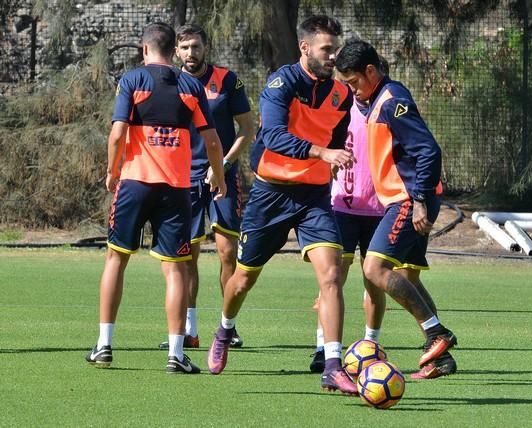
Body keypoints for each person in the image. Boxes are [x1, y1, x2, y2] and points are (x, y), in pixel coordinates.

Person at [206, 15, 359, 395]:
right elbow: (272, 136)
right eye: (327, 49)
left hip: (314, 198)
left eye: (336, 49)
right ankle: (224, 330)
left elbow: (338, 135)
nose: (334, 56)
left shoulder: (341, 93)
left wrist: (334, 160)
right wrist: (323, 152)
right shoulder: (281, 83)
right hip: (270, 194)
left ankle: (332, 365)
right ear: (305, 47)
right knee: (242, 280)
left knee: (331, 275)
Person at [85, 22, 227, 374]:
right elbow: (212, 141)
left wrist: (111, 170)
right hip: (176, 189)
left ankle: (104, 345)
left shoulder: (132, 80)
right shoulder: (193, 85)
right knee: (175, 269)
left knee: (116, 260)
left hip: (134, 184)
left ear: (144, 49)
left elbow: (118, 133)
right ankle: (176, 354)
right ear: (173, 50)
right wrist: (219, 176)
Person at [335, 39, 457, 380]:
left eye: (354, 82)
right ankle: (441, 359)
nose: (352, 90)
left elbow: (429, 150)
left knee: (374, 269)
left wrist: (418, 201)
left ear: (371, 71)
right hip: (405, 198)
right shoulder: (376, 100)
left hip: (407, 198)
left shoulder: (392, 101)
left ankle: (437, 334)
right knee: (404, 276)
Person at [158, 24, 256, 351]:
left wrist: (223, 166)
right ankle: (189, 329)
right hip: (183, 178)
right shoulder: (170, 82)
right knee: (187, 256)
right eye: (184, 48)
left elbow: (247, 127)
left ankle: (228, 327)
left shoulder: (228, 80)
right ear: (175, 52)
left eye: (196, 47)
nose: (190, 53)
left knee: (228, 253)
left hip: (223, 177)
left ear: (206, 47)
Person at [308, 61, 386, 373]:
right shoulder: (341, 108)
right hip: (341, 206)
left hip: (379, 209)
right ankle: (321, 346)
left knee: (374, 279)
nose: (356, 88)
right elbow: (322, 147)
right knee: (332, 277)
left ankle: (371, 344)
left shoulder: (387, 108)